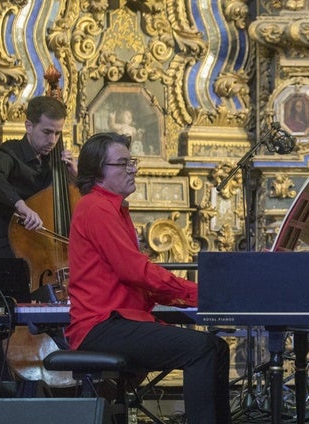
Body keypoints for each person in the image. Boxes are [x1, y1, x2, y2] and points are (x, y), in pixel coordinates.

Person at [65, 132, 231, 424]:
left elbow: (140, 281)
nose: (133, 169)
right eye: (123, 163)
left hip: (118, 321)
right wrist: (202, 294)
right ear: (98, 172)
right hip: (102, 326)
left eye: (132, 162)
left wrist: (195, 295)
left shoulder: (114, 210)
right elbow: (137, 271)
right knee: (201, 349)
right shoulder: (96, 208)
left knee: (217, 347)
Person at [0, 96, 77, 257]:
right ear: (29, 126)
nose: (52, 140)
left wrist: (75, 176)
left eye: (57, 133)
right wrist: (21, 206)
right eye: (47, 132)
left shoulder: (56, 163)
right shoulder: (8, 152)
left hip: (42, 248)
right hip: (5, 245)